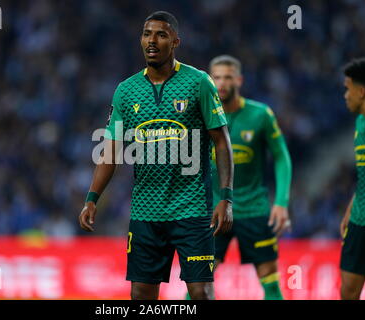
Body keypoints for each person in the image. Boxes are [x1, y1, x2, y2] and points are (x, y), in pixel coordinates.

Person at [78, 11, 234, 300]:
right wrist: (92, 198)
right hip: (145, 212)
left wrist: (225, 197)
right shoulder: (126, 91)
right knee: (141, 294)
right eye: (147, 33)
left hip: (192, 208)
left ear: (175, 41)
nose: (152, 40)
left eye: (161, 34)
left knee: (201, 292)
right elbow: (111, 149)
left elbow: (222, 142)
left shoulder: (198, 82)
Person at [209, 55, 292, 300]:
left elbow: (282, 157)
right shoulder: (201, 116)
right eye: (216, 77)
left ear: (239, 80)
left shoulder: (261, 115)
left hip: (254, 210)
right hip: (214, 211)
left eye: (227, 77)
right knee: (198, 283)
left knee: (271, 285)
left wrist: (281, 202)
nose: (222, 83)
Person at [339, 57, 365, 300]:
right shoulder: (360, 123)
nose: (345, 95)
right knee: (348, 290)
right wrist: (351, 207)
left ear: (361, 92)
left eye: (347, 89)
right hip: (360, 221)